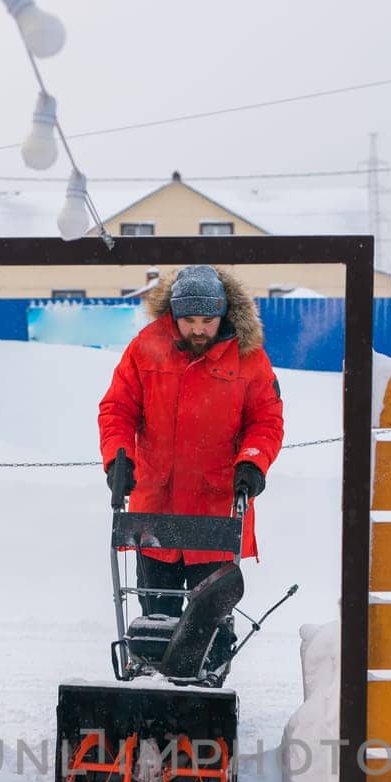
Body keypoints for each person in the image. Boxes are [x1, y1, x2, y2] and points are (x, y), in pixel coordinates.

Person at [97, 264, 284, 626]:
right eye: (189, 320)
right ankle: (150, 671)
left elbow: (266, 420)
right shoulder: (145, 349)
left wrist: (252, 463)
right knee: (156, 615)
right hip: (156, 509)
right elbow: (117, 409)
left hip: (216, 511)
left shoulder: (249, 358)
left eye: (207, 320)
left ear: (223, 314)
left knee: (208, 623)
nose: (198, 329)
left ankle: (206, 673)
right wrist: (119, 460)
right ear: (174, 315)